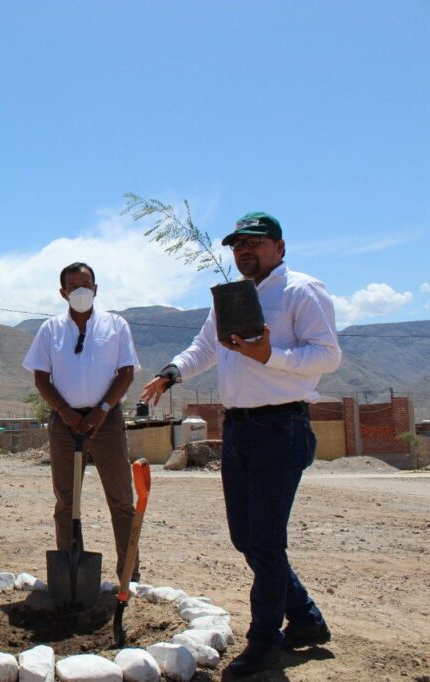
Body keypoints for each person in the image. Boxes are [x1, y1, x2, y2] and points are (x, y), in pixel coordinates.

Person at [141, 212, 341, 676]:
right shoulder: (232, 297)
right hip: (238, 430)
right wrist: (171, 373)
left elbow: (328, 355)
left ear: (280, 248)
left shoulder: (302, 290)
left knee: (266, 543)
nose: (244, 251)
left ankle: (264, 643)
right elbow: (206, 346)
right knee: (246, 539)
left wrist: (269, 354)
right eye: (237, 246)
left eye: (255, 243)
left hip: (282, 429)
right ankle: (307, 620)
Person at [22, 262, 141, 583]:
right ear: (63, 293)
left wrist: (102, 409)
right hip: (65, 424)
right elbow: (41, 378)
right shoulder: (50, 330)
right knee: (66, 501)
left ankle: (129, 576)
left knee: (121, 500)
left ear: (96, 289)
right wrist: (64, 411)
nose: (81, 292)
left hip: (107, 423)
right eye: (74, 287)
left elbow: (127, 372)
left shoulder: (116, 326)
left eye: (86, 285)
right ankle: (71, 575)